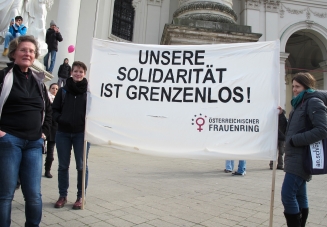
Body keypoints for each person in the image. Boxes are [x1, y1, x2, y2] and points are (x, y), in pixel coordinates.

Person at [0, 35, 52, 227]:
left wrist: (44, 133)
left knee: (34, 195)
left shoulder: (39, 80)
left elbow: (48, 110)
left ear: (35, 56)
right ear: (14, 53)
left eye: (31, 51)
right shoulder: (3, 77)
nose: (27, 54)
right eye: (23, 50)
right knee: (5, 195)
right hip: (9, 140)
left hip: (34, 144)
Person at [281, 72, 327, 227]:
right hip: (294, 155)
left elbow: (322, 129)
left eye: (297, 86)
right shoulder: (298, 104)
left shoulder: (313, 102)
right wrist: (281, 117)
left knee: (287, 195)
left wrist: (295, 140)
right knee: (300, 195)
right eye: (293, 86)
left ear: (307, 86)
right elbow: (289, 131)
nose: (294, 89)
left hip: (301, 157)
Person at [52, 61, 90, 210]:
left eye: (81, 71)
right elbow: (54, 110)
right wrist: (61, 119)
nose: (78, 74)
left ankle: (81, 197)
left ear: (84, 74)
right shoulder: (63, 91)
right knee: (62, 166)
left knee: (81, 166)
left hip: (81, 134)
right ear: (71, 72)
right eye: (75, 71)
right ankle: (63, 195)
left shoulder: (89, 92)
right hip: (63, 133)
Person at [44, 83, 59, 178]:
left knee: (50, 153)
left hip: (53, 130)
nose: (54, 90)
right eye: (53, 88)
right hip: (44, 127)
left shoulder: (59, 100)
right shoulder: (45, 99)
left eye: (57, 89)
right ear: (49, 89)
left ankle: (47, 170)